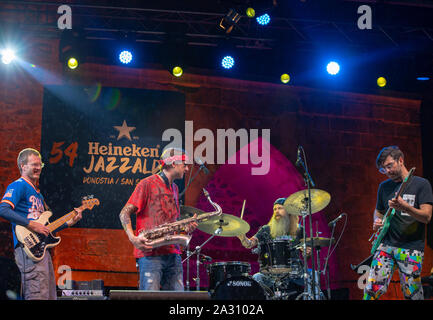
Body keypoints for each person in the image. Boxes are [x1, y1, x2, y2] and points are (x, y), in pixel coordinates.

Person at [0, 148, 82, 300]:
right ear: (23, 166)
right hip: (28, 249)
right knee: (37, 294)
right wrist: (31, 225)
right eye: (34, 164)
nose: (38, 168)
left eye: (40, 164)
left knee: (48, 295)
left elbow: (45, 228)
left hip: (41, 250)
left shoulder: (38, 194)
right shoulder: (18, 185)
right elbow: (3, 209)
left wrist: (69, 223)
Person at [119, 147, 197, 291]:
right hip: (150, 254)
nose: (186, 169)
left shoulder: (174, 188)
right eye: (184, 164)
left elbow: (171, 223)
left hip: (173, 253)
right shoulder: (146, 183)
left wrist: (186, 229)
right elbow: (124, 213)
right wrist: (133, 238)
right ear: (173, 163)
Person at [364, 146, 433, 300]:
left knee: (412, 295)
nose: (387, 171)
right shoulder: (384, 187)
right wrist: (377, 220)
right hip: (386, 245)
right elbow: (379, 211)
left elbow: (427, 217)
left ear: (400, 160)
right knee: (371, 290)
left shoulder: (422, 184)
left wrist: (406, 207)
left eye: (389, 166)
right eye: (383, 169)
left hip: (411, 248)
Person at [237, 197, 310, 299]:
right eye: (275, 209)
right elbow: (249, 244)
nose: (276, 211)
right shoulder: (266, 229)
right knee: (256, 278)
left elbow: (307, 253)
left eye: (280, 208)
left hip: (294, 271)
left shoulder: (299, 230)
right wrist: (243, 238)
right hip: (271, 273)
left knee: (312, 276)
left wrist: (307, 252)